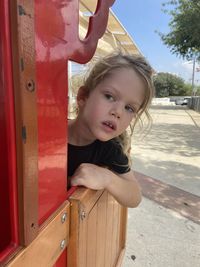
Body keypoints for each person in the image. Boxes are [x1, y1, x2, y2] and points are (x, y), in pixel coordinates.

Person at [68, 52, 154, 208]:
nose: (118, 112)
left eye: (129, 108)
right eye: (109, 96)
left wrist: (107, 178)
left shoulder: (110, 149)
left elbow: (135, 197)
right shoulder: (49, 132)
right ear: (83, 97)